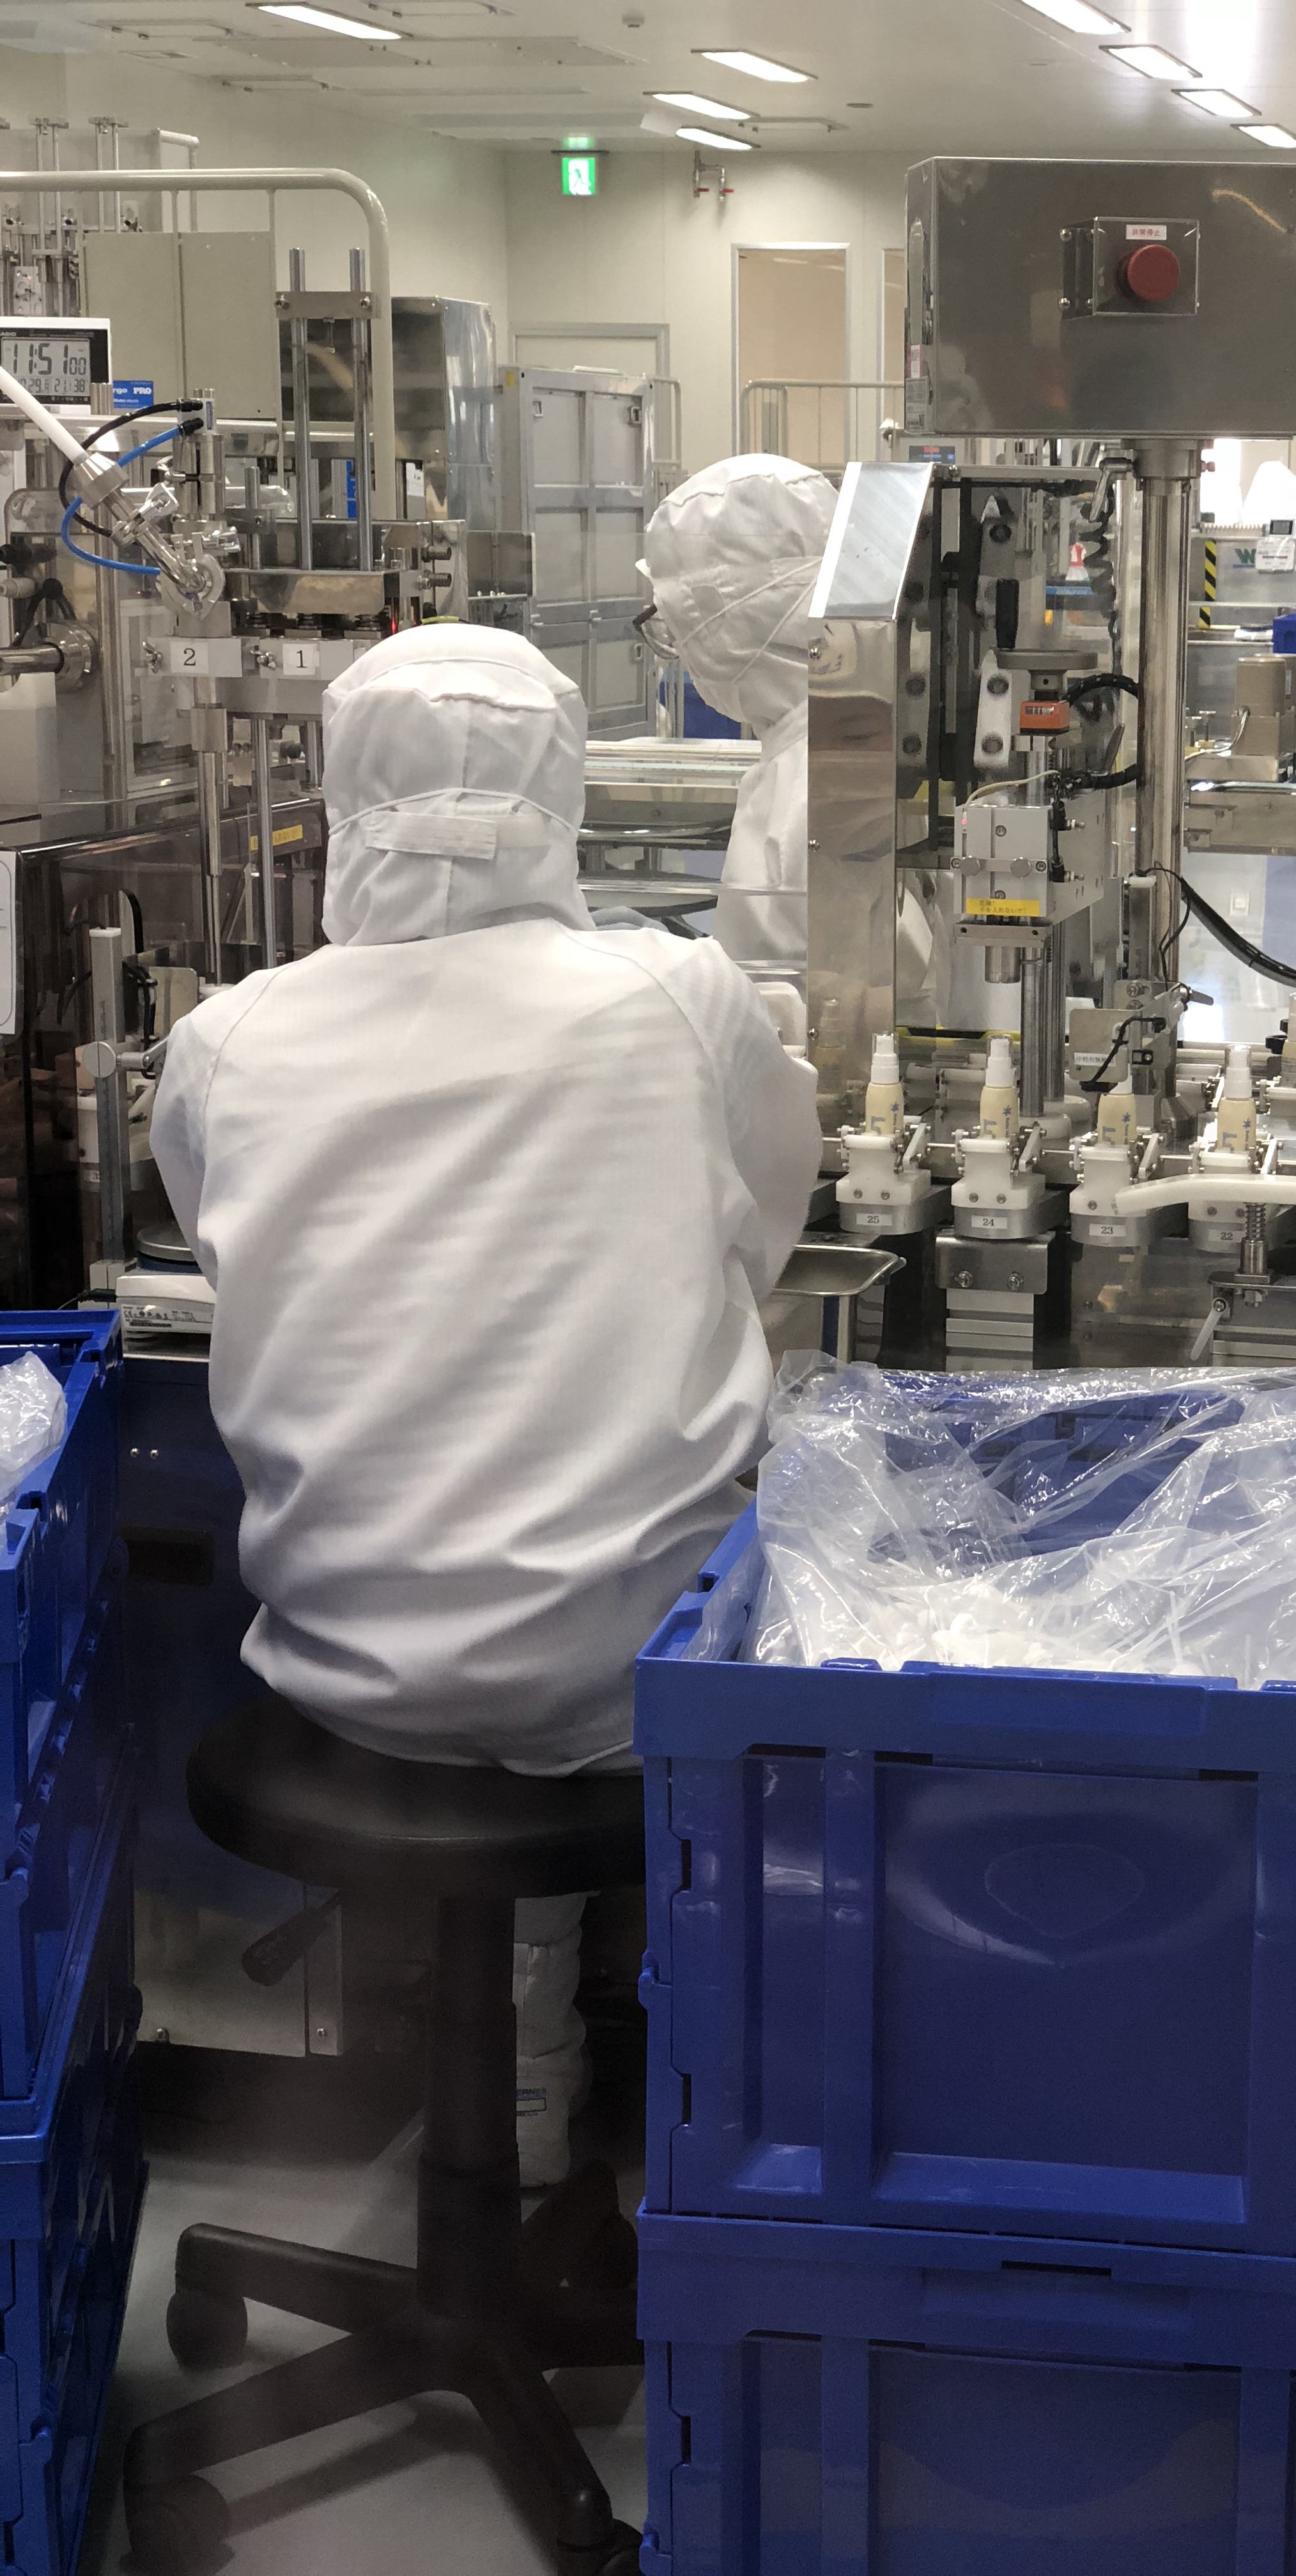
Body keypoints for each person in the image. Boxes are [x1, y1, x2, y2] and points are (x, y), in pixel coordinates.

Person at [150, 624, 821, 2183]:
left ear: (340, 795)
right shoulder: (681, 999)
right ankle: (611, 2097)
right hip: (622, 1684)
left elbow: (226, 1254)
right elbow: (763, 1236)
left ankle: (515, 2095)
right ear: (564, 790)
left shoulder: (227, 1038)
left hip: (341, 1670)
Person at [637, 452, 939, 1013]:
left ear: (727, 621)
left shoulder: (811, 780)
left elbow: (810, 1010)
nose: (676, 644)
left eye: (676, 622)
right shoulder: (828, 738)